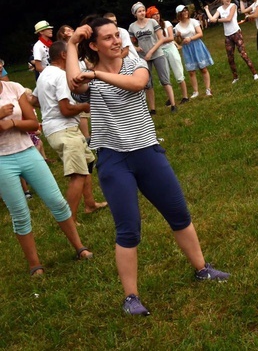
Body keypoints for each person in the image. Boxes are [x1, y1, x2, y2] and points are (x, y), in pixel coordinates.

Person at [66, 17, 229, 316]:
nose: (116, 41)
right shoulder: (86, 77)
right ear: (93, 45)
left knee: (178, 213)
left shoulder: (134, 62)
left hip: (148, 152)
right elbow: (73, 80)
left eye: (117, 35)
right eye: (108, 38)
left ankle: (202, 269)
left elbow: (138, 84)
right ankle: (131, 298)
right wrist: (71, 42)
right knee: (128, 229)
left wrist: (97, 75)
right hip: (114, 159)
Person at [1, 76, 93, 276]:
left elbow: (33, 124)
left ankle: (79, 247)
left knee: (57, 202)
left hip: (27, 152)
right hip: (2, 161)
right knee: (20, 214)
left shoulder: (14, 88)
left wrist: (12, 123)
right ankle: (35, 265)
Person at [33, 41, 107, 222]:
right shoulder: (60, 76)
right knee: (78, 175)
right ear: (65, 55)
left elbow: (33, 100)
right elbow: (66, 109)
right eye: (73, 53)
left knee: (87, 164)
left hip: (58, 129)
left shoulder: (44, 74)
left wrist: (48, 105)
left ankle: (89, 204)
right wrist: (86, 106)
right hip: (63, 130)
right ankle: (70, 219)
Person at [128, 2, 177, 114]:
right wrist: (136, 48)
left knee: (164, 80)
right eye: (139, 11)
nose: (142, 13)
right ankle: (152, 109)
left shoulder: (152, 22)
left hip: (157, 54)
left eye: (143, 10)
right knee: (148, 83)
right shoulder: (132, 26)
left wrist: (151, 51)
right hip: (144, 58)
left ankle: (173, 105)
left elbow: (161, 39)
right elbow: (130, 42)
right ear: (135, 14)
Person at [205, 0, 258, 84]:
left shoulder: (233, 6)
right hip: (228, 36)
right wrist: (206, 10)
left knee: (243, 54)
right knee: (230, 58)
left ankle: (254, 73)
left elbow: (229, 19)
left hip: (236, 33)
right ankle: (235, 77)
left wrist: (217, 20)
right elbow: (212, 19)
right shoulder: (220, 9)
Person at [151, 6, 189, 104]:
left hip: (170, 48)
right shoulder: (150, 27)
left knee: (178, 71)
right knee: (164, 75)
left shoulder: (166, 23)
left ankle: (185, 96)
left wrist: (160, 40)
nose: (156, 16)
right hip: (160, 51)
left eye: (157, 14)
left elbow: (171, 38)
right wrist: (160, 42)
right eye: (154, 15)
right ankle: (170, 98)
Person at [173, 5, 213, 97]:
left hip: (197, 45)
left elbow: (200, 33)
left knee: (203, 68)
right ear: (179, 14)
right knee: (191, 71)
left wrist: (190, 38)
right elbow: (179, 42)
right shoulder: (177, 27)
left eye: (186, 10)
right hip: (187, 49)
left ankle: (208, 89)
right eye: (183, 11)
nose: (185, 12)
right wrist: (178, 36)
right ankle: (196, 91)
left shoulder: (193, 22)